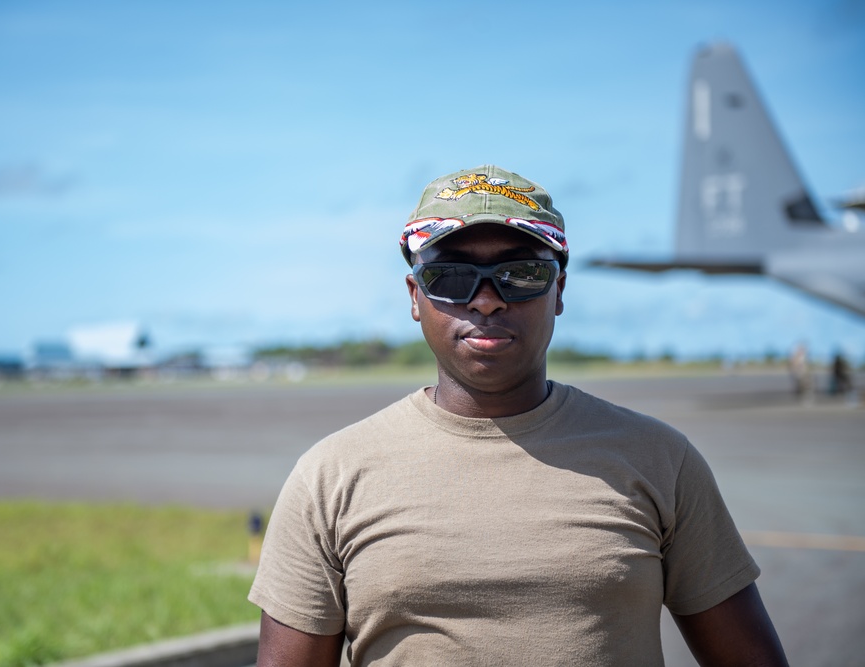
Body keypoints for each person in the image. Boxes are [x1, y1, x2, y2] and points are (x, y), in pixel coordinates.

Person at [249, 165, 788, 666]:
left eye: (522, 273)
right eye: (451, 278)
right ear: (415, 296)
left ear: (559, 292)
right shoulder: (330, 475)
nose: (486, 300)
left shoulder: (659, 458)